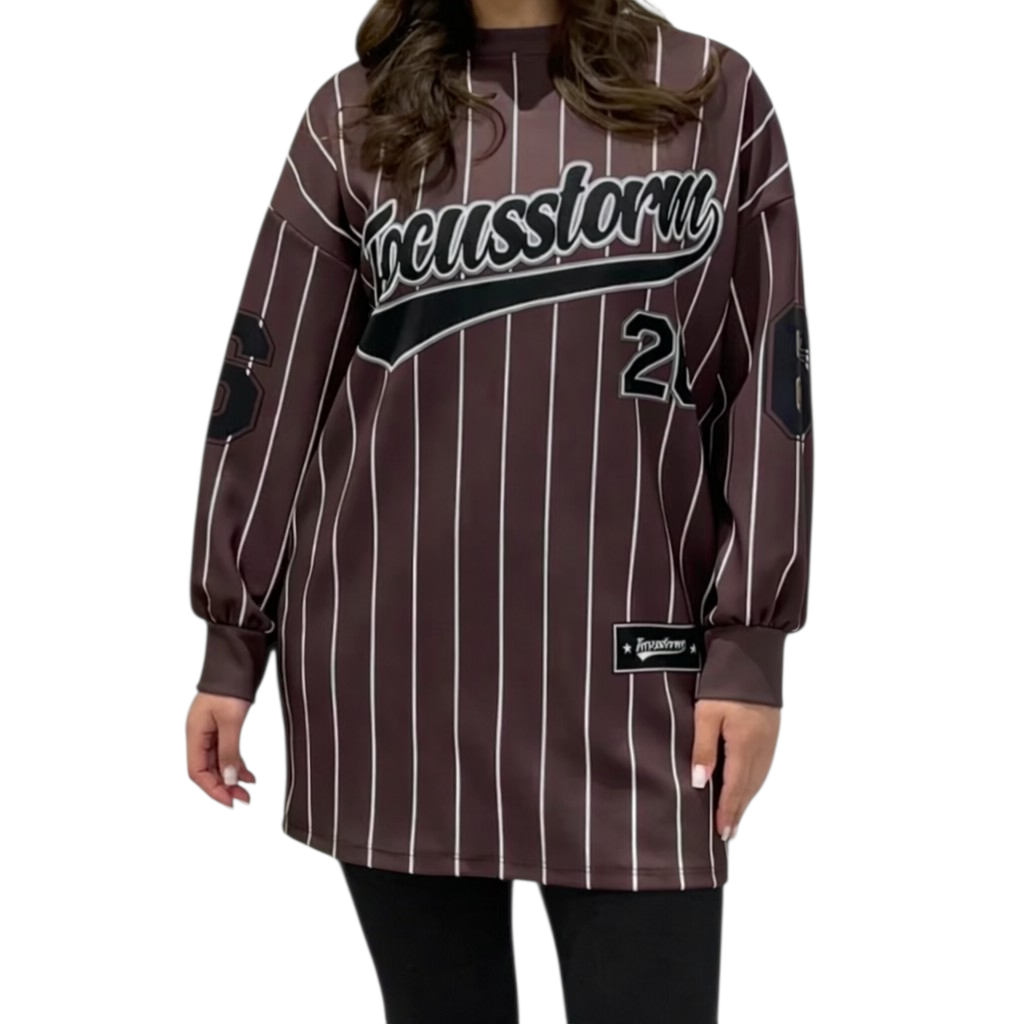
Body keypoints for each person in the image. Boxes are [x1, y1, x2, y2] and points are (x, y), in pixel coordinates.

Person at [184, 0, 813, 1020]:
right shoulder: (353, 117)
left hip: (634, 675)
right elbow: (268, 386)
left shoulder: (710, 94)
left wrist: (749, 647)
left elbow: (768, 389)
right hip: (395, 675)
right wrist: (232, 643)